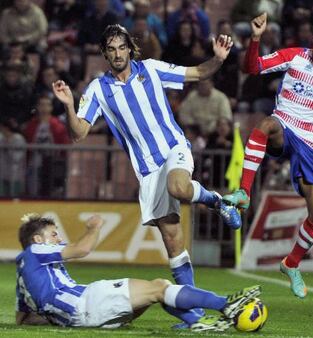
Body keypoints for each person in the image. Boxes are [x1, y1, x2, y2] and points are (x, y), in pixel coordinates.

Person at [52, 24, 241, 326]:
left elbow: (196, 74)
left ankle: (218, 202)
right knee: (172, 241)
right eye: (110, 49)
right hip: (147, 170)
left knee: (179, 186)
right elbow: (79, 133)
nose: (117, 53)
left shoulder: (152, 69)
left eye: (121, 47)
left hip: (173, 149)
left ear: (130, 48)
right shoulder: (99, 89)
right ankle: (194, 315)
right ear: (104, 53)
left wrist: (217, 59)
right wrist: (68, 107)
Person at [223, 13, 313, 299]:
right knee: (264, 126)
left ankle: (291, 264)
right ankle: (244, 193)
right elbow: (252, 68)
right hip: (285, 126)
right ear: (312, 46)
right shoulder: (295, 57)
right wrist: (255, 39)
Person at [15, 213, 261, 331]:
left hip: (80, 314)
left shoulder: (23, 268)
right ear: (38, 239)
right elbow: (83, 248)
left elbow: (23, 319)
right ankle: (227, 305)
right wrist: (94, 227)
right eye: (53, 234)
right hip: (85, 302)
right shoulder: (36, 250)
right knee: (160, 288)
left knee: (159, 288)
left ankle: (196, 321)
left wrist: (56, 316)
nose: (58, 238)